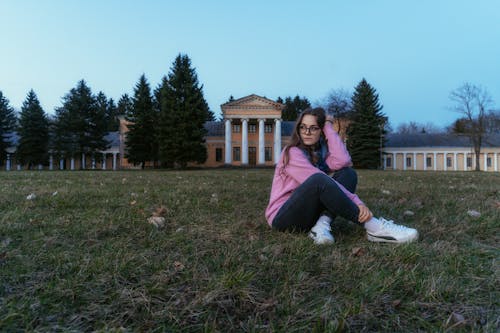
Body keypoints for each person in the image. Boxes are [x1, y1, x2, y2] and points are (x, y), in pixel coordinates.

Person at [265, 107, 418, 244]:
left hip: (306, 214)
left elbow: (343, 161)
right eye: (303, 127)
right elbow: (320, 180)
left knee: (348, 174)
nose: (307, 132)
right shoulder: (291, 153)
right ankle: (374, 227)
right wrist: (357, 202)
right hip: (283, 217)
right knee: (319, 180)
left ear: (321, 131)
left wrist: (328, 126)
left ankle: (320, 226)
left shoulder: (318, 154)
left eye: (314, 128)